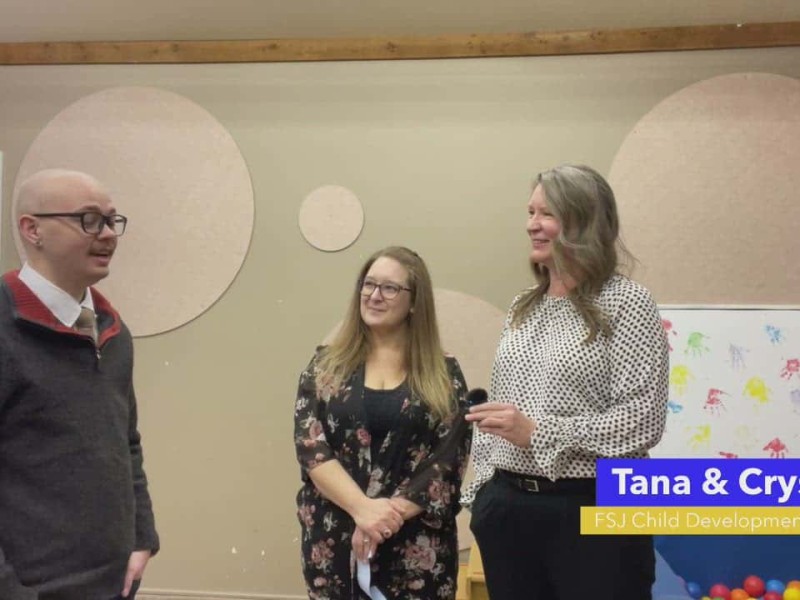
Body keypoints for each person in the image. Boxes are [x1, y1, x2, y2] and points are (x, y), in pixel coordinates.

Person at [463, 164, 669, 600]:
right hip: (509, 510)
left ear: (583, 222)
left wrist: (541, 433)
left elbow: (643, 418)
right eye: (530, 212)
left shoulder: (627, 303)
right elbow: (502, 408)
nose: (531, 225)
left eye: (545, 214)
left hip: (596, 506)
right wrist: (484, 489)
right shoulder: (523, 305)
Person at [0, 169, 159, 600]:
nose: (108, 234)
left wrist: (142, 535)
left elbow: (126, 441)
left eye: (112, 220)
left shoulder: (113, 332)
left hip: (113, 582)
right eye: (89, 220)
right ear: (32, 230)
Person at [294, 246, 471, 600]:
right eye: (369, 284)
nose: (374, 295)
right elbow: (311, 448)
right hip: (336, 542)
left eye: (389, 288)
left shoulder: (443, 373)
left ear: (415, 302)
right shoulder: (324, 366)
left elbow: (448, 459)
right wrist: (363, 511)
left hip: (417, 547)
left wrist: (383, 519)